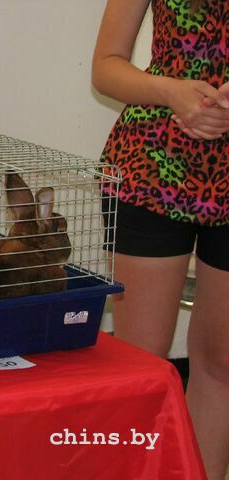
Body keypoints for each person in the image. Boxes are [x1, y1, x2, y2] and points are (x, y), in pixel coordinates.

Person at [92, 0, 229, 478]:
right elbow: (106, 66)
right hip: (151, 167)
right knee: (141, 366)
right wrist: (172, 92)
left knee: (222, 364)